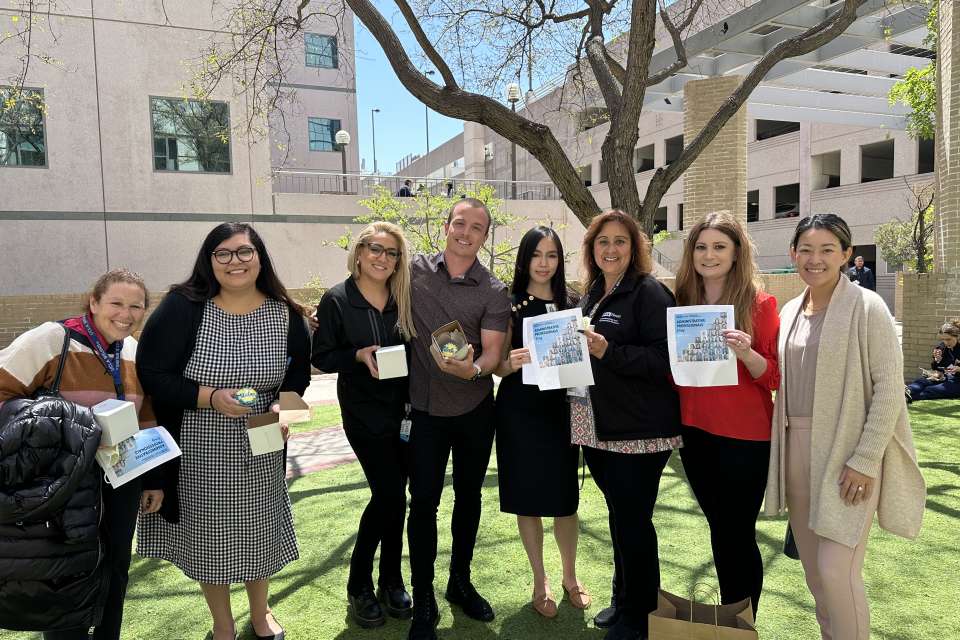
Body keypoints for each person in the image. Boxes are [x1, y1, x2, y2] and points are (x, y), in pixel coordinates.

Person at [135, 223, 311, 640]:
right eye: (224, 253)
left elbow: (299, 376)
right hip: (198, 443)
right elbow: (153, 373)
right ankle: (222, 622)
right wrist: (211, 397)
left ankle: (261, 612)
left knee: (260, 527)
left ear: (260, 257)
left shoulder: (285, 312)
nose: (236, 262)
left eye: (245, 252)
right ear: (209, 260)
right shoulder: (182, 306)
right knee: (208, 535)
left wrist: (281, 411)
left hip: (263, 439)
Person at [765, 214, 926, 640]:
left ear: (847, 255)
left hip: (846, 456)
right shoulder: (790, 310)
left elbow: (891, 390)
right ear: (793, 254)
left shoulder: (868, 306)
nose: (814, 259)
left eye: (827, 250)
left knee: (837, 571)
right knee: (816, 576)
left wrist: (865, 459)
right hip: (795, 451)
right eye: (806, 250)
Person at [0, 268, 163, 640]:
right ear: (93, 302)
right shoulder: (51, 340)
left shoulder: (135, 352)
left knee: (116, 564)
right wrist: (58, 428)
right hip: (62, 482)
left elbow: (147, 417)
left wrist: (153, 480)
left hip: (120, 478)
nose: (126, 313)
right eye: (116, 303)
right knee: (64, 566)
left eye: (136, 306)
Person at [571, 210, 680, 640]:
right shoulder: (594, 291)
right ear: (592, 249)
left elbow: (664, 359)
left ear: (634, 248)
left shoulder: (649, 292)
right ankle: (623, 601)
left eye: (620, 241)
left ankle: (641, 616)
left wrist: (608, 352)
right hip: (599, 427)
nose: (610, 249)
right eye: (602, 242)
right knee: (620, 517)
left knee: (634, 522)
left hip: (640, 432)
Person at [405, 198, 511, 640]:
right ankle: (424, 596)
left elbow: (492, 355)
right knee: (423, 505)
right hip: (424, 412)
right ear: (446, 226)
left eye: (478, 228)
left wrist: (475, 369)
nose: (466, 233)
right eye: (460, 224)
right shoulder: (412, 272)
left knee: (468, 500)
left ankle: (459, 582)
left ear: (486, 237)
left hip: (473, 411)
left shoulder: (494, 290)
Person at [673, 211, 779, 616]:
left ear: (736, 254)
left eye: (719, 246)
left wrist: (746, 352)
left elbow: (773, 377)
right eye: (701, 247)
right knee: (720, 528)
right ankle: (730, 614)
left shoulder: (760, 303)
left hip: (745, 438)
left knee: (737, 532)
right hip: (694, 434)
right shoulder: (682, 301)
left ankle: (741, 619)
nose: (709, 255)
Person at [312, 221, 417, 628]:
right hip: (363, 413)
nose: (383, 258)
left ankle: (392, 580)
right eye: (375, 249)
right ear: (358, 252)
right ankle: (359, 584)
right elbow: (323, 357)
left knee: (396, 497)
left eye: (391, 253)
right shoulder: (337, 300)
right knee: (390, 494)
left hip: (407, 411)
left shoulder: (404, 295)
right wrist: (357, 355)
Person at [492, 226, 588, 619]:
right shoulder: (509, 304)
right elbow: (494, 363)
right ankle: (540, 580)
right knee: (527, 499)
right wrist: (507, 364)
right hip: (520, 411)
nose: (544, 263)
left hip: (562, 410)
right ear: (524, 259)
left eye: (552, 255)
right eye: (536, 255)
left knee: (566, 501)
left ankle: (570, 576)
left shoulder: (574, 301)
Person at [905, 320, 960, 403]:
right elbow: (935, 367)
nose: (946, 342)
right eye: (943, 339)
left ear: (957, 336)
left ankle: (904, 399)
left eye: (948, 339)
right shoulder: (942, 347)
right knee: (922, 381)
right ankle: (906, 391)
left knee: (931, 390)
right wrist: (937, 361)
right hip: (944, 377)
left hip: (957, 382)